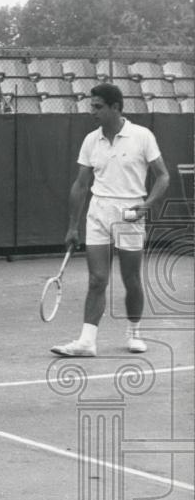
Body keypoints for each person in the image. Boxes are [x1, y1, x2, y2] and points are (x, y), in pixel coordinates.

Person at [51, 83, 170, 357]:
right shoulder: (91, 140)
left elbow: (163, 176)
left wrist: (146, 206)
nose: (92, 111)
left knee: (131, 279)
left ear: (115, 107)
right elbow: (80, 185)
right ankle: (87, 342)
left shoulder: (142, 136)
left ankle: (134, 332)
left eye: (98, 107)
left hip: (129, 214)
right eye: (92, 106)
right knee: (97, 280)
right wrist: (72, 226)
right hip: (98, 213)